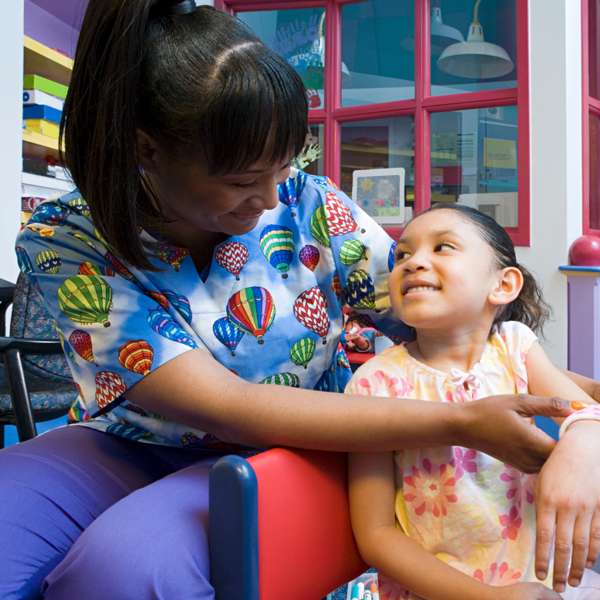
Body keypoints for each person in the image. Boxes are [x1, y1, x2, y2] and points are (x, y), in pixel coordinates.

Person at [0, 1, 597, 598]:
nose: (267, 197)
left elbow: (463, 333)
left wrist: (583, 417)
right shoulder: (65, 239)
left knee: (122, 572)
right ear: (148, 151)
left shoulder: (307, 202)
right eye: (239, 181)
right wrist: (463, 421)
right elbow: (222, 403)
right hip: (132, 441)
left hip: (298, 446)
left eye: (282, 167)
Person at [347, 205, 600, 600]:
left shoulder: (515, 346)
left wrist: (583, 439)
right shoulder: (373, 383)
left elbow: (586, 415)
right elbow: (376, 534)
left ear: (502, 285)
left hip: (545, 583)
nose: (414, 263)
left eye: (442, 247)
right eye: (402, 255)